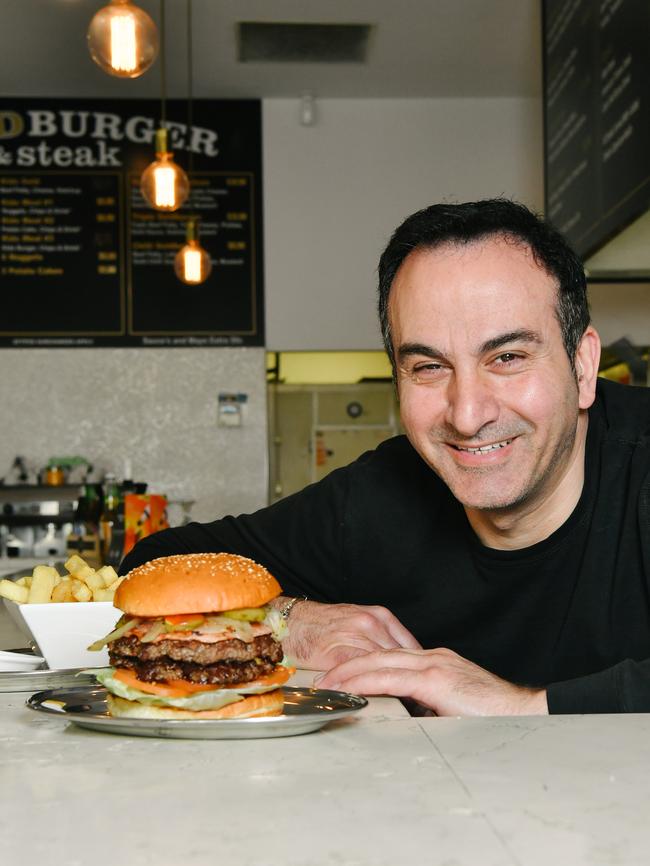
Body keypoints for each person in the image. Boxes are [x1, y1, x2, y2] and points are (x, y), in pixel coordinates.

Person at [121, 199, 650, 716]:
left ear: (583, 368)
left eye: (507, 358)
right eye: (427, 367)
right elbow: (152, 565)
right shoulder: (381, 494)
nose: (467, 415)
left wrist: (519, 706)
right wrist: (289, 620)